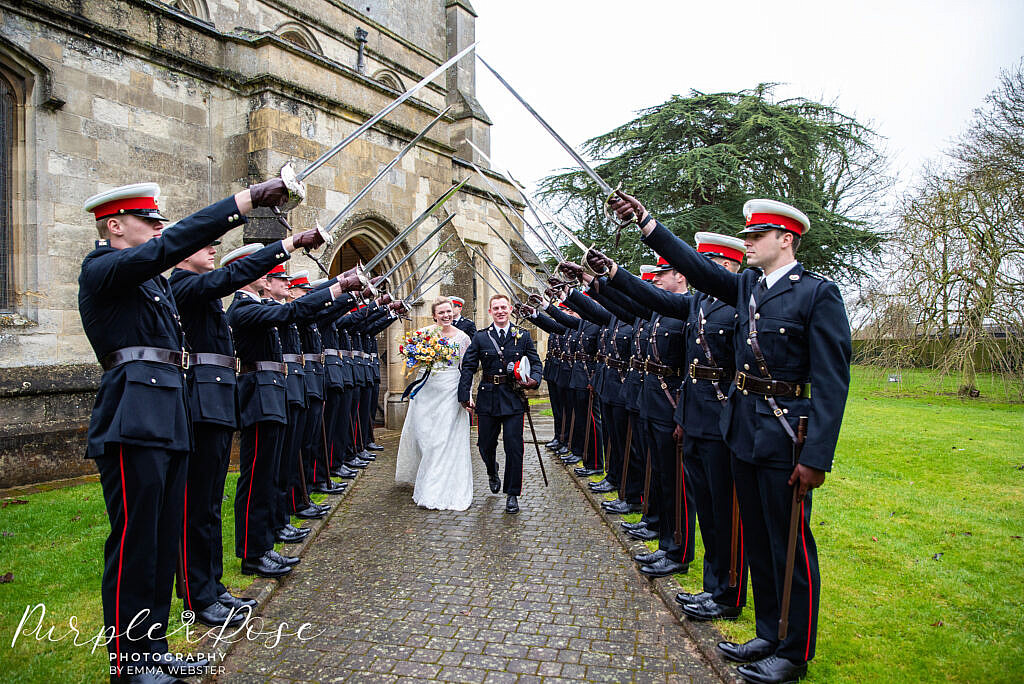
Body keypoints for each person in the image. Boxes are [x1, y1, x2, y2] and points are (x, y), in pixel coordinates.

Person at [607, 193, 852, 684]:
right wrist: (649, 223)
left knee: (790, 546)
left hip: (786, 436)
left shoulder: (816, 293)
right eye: (747, 238)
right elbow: (698, 272)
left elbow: (832, 381)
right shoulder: (748, 288)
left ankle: (795, 651)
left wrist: (817, 455)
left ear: (786, 239)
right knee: (759, 539)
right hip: (742, 430)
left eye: (757, 237)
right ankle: (768, 633)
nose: (748, 245)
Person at [79, 177, 293, 683]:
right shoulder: (103, 268)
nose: (158, 232)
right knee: (135, 542)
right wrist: (243, 204)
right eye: (149, 223)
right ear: (114, 226)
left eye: (159, 225)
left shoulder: (149, 282)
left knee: (159, 538)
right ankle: (130, 661)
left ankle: (153, 650)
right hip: (133, 418)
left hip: (168, 415)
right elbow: (175, 251)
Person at [171, 237, 317, 629]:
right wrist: (288, 246)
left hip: (221, 400)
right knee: (204, 499)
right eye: (205, 245)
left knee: (212, 501)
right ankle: (205, 585)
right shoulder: (197, 289)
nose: (212, 250)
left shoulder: (220, 299)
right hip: (210, 400)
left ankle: (212, 584)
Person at [458, 294, 543, 514]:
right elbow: (468, 366)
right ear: (490, 312)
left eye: (503, 307)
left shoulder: (522, 335)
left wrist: (534, 379)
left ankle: (512, 494)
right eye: (495, 308)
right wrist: (464, 394)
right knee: (485, 445)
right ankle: (491, 469)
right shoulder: (480, 337)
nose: (500, 311)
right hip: (488, 397)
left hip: (513, 397)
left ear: (510, 309)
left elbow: (535, 362)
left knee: (514, 447)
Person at [394, 297, 474, 510]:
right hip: (427, 392)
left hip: (450, 392)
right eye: (442, 313)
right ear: (434, 315)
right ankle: (427, 478)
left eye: (449, 311)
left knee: (443, 441)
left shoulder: (463, 338)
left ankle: (434, 490)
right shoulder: (424, 335)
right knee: (426, 439)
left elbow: (468, 370)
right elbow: (411, 360)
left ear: (454, 311)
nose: (446, 315)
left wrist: (468, 395)